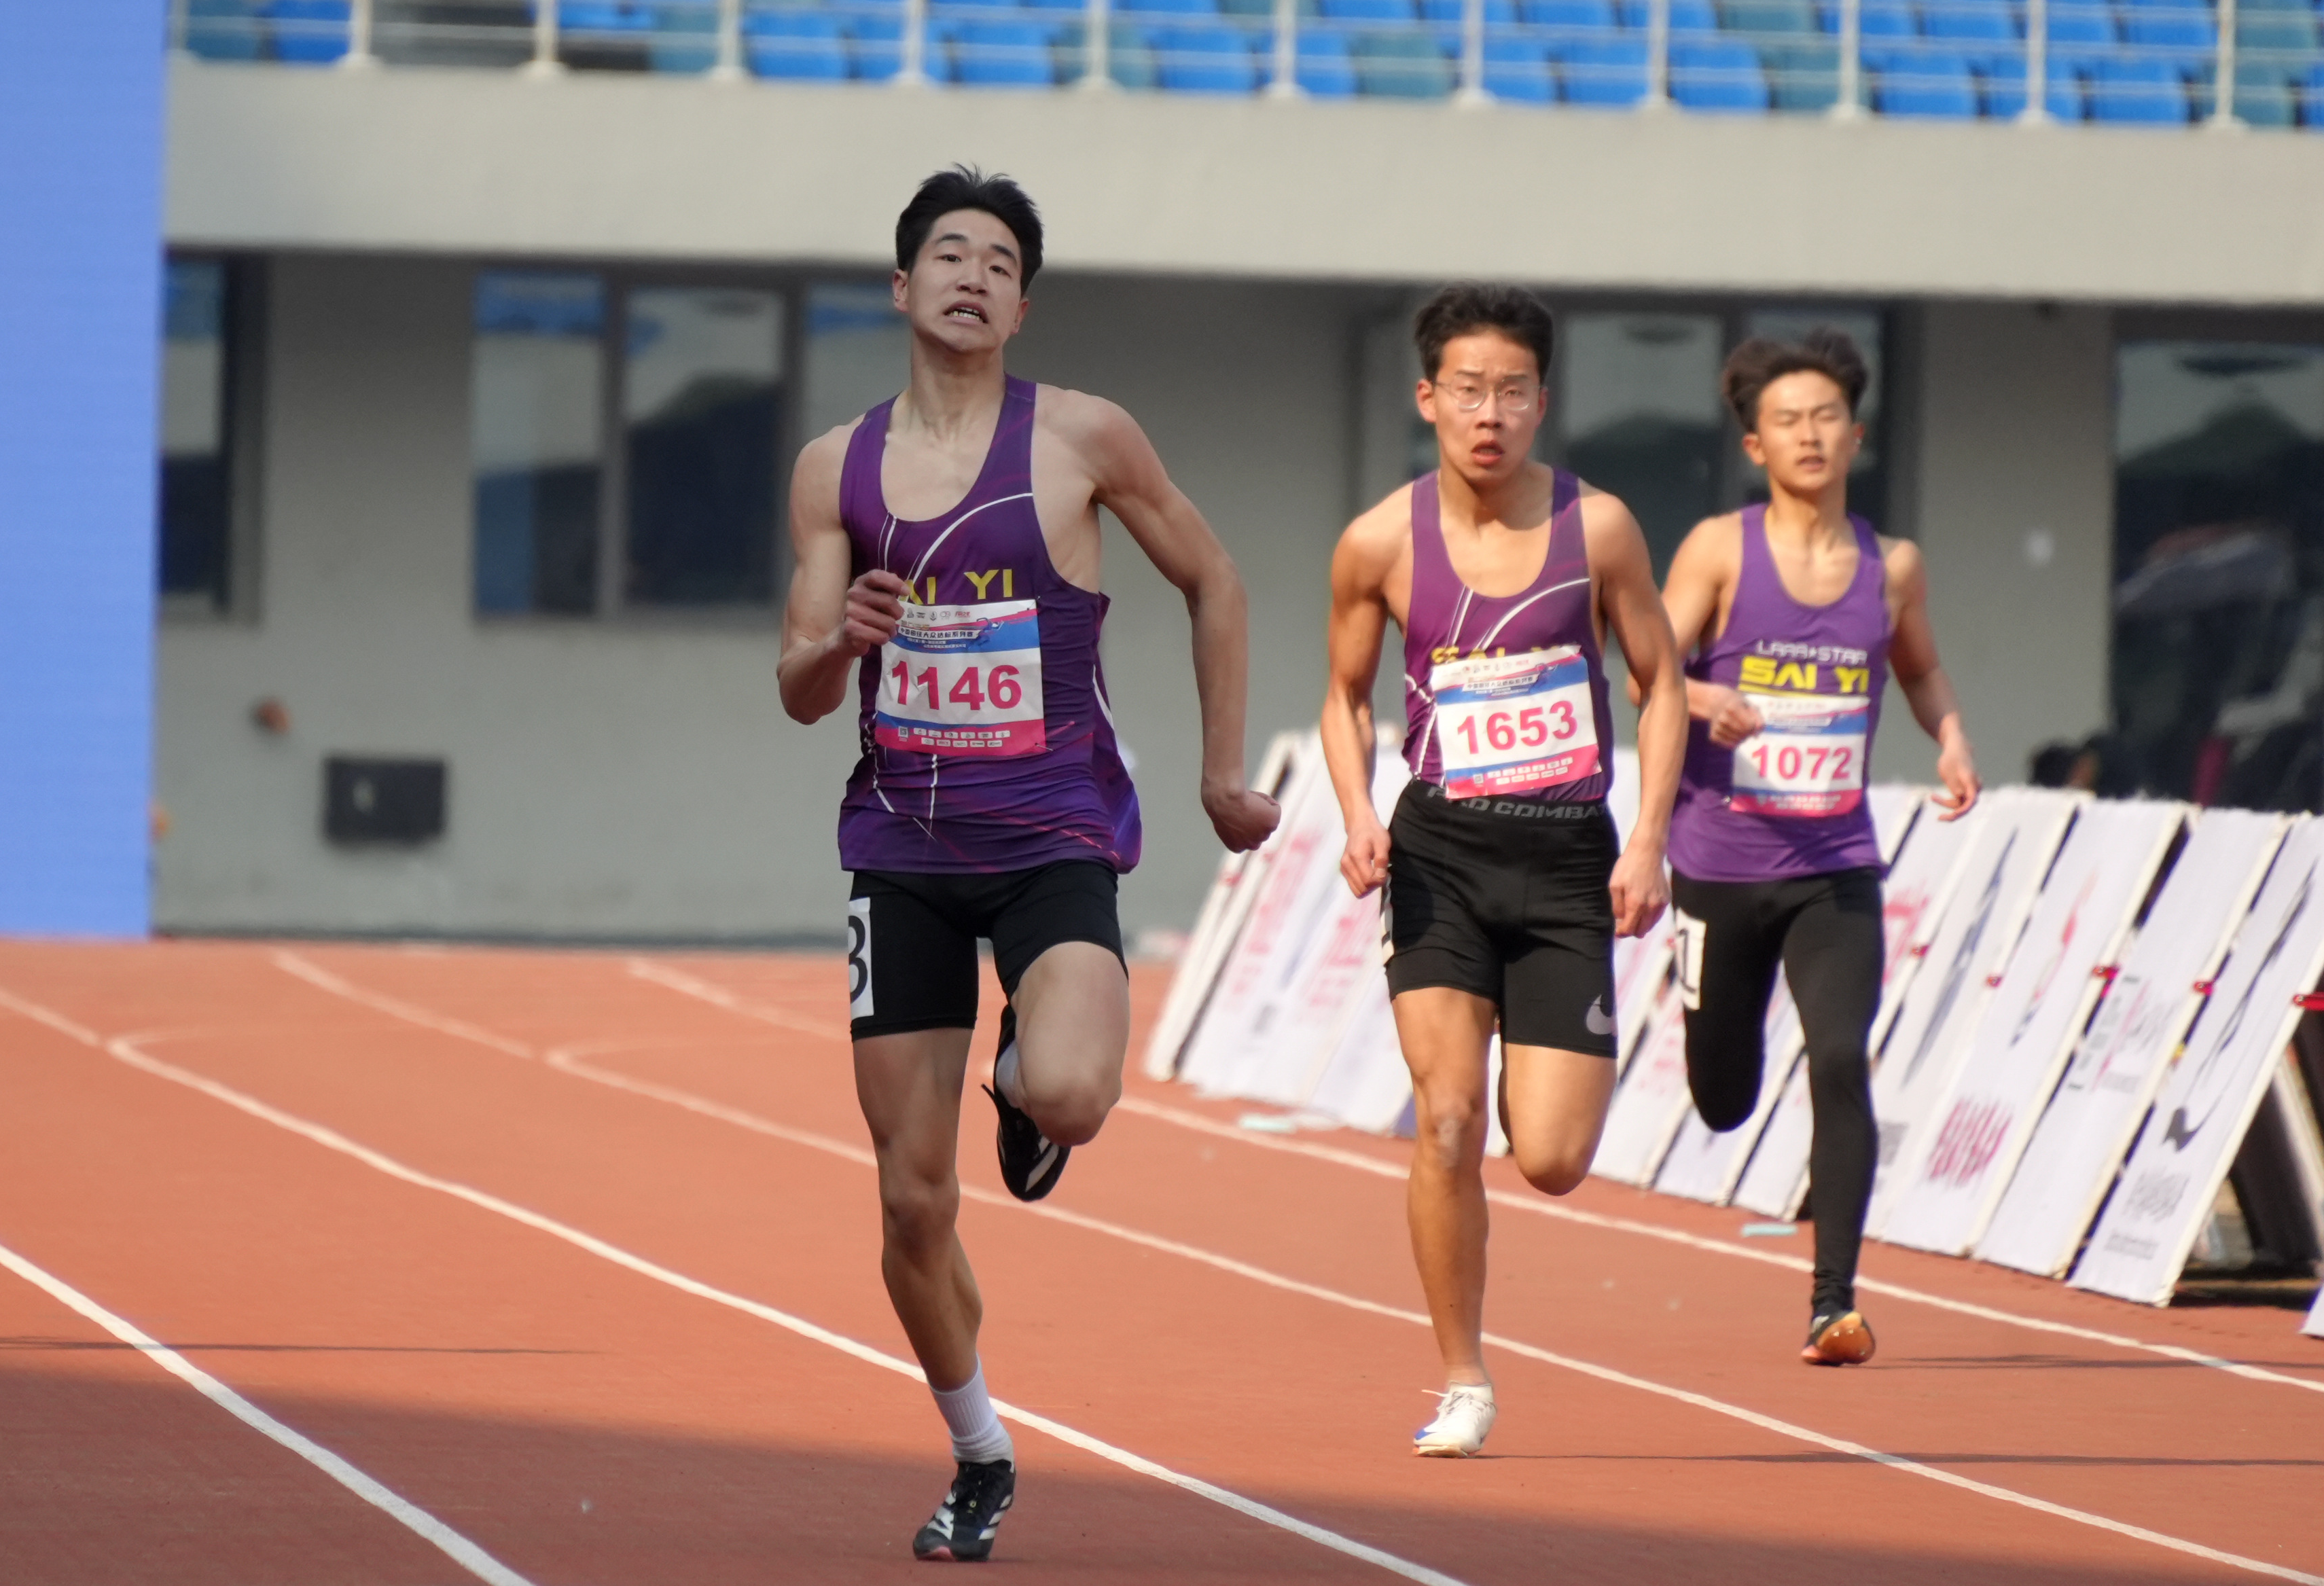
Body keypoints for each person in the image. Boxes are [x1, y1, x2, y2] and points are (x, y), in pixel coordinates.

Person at [776, 166, 1280, 1560]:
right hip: (902, 849)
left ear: (1022, 307)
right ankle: (980, 1449)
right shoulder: (834, 469)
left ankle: (1018, 1078)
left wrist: (1219, 774)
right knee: (911, 1202)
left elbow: (1216, 579)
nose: (974, 277)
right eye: (950, 254)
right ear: (903, 286)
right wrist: (843, 638)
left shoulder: (1081, 436)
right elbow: (798, 689)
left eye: (1001, 263)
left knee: (1073, 1092)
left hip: (1055, 832)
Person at [1321, 284, 1686, 1458]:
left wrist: (1648, 838)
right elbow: (1344, 697)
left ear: (1543, 401)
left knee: (1554, 1158)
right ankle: (1463, 1375)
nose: (1490, 415)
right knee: (1445, 1118)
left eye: (1513, 392)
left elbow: (1661, 685)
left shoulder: (1601, 529)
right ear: (1427, 397)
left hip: (1568, 855)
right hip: (1441, 852)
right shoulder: (1379, 541)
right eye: (1469, 391)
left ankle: (1479, 1329)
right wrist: (1357, 811)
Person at [1656, 327, 1979, 1367]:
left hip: (1835, 866)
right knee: (1724, 1096)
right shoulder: (1718, 549)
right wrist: (1701, 697)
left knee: (1841, 1057)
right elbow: (1646, 663)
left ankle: (1832, 1300)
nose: (1809, 435)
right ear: (1756, 444)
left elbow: (1919, 669)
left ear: (1856, 435)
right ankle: (1714, 1034)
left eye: (1826, 417)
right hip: (1718, 864)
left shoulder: (1892, 567)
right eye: (1787, 420)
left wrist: (1951, 736)